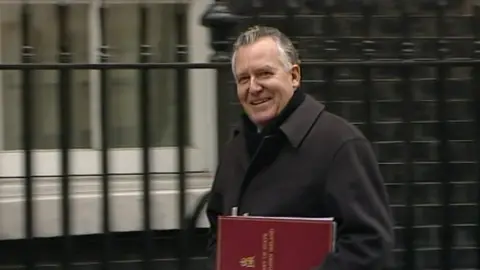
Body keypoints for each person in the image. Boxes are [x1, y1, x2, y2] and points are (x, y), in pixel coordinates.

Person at [205, 25, 394, 270]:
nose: (253, 87)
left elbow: (371, 248)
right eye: (243, 79)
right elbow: (216, 235)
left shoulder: (340, 145)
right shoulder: (236, 148)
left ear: (294, 76)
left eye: (264, 74)